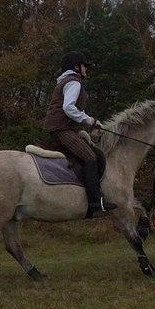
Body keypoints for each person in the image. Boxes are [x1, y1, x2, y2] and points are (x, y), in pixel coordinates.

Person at [43, 52, 117, 217]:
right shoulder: (74, 82)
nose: (86, 69)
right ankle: (95, 204)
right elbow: (68, 108)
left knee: (97, 154)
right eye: (85, 66)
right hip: (61, 129)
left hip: (65, 128)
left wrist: (89, 122)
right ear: (76, 66)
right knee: (90, 157)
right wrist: (89, 120)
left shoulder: (66, 81)